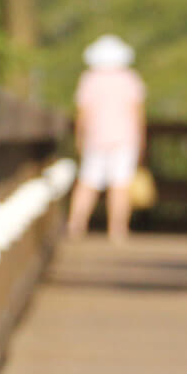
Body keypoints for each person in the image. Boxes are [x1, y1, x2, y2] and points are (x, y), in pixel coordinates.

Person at [66, 34, 146, 244]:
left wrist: (79, 137)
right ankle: (118, 229)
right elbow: (137, 112)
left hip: (95, 137)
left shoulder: (89, 79)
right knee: (120, 185)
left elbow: (83, 113)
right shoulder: (130, 78)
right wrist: (142, 139)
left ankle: (76, 224)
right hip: (125, 138)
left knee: (87, 182)